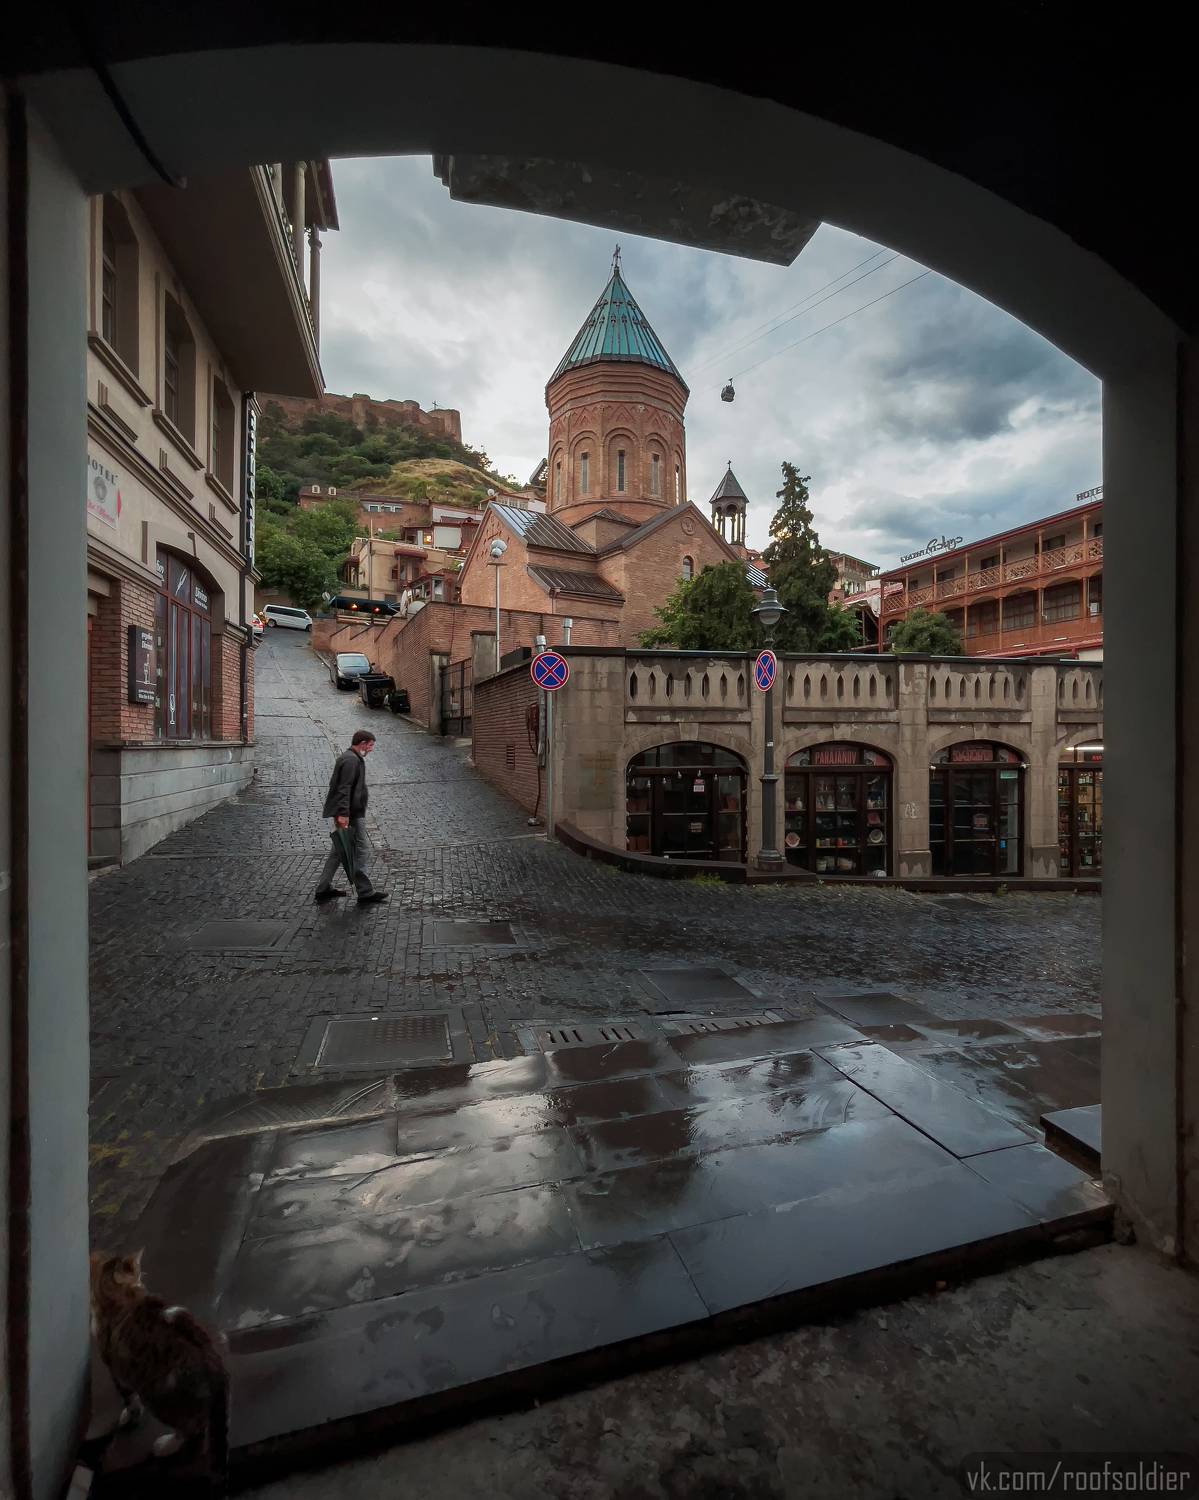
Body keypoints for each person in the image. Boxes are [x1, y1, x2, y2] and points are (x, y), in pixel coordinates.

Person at [314, 729, 389, 904]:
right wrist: (343, 814)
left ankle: (323, 889)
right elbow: (344, 788)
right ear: (362, 743)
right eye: (370, 745)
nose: (371, 749)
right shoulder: (351, 760)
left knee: (338, 851)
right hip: (351, 814)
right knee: (361, 849)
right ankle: (365, 892)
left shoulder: (352, 758)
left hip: (350, 812)